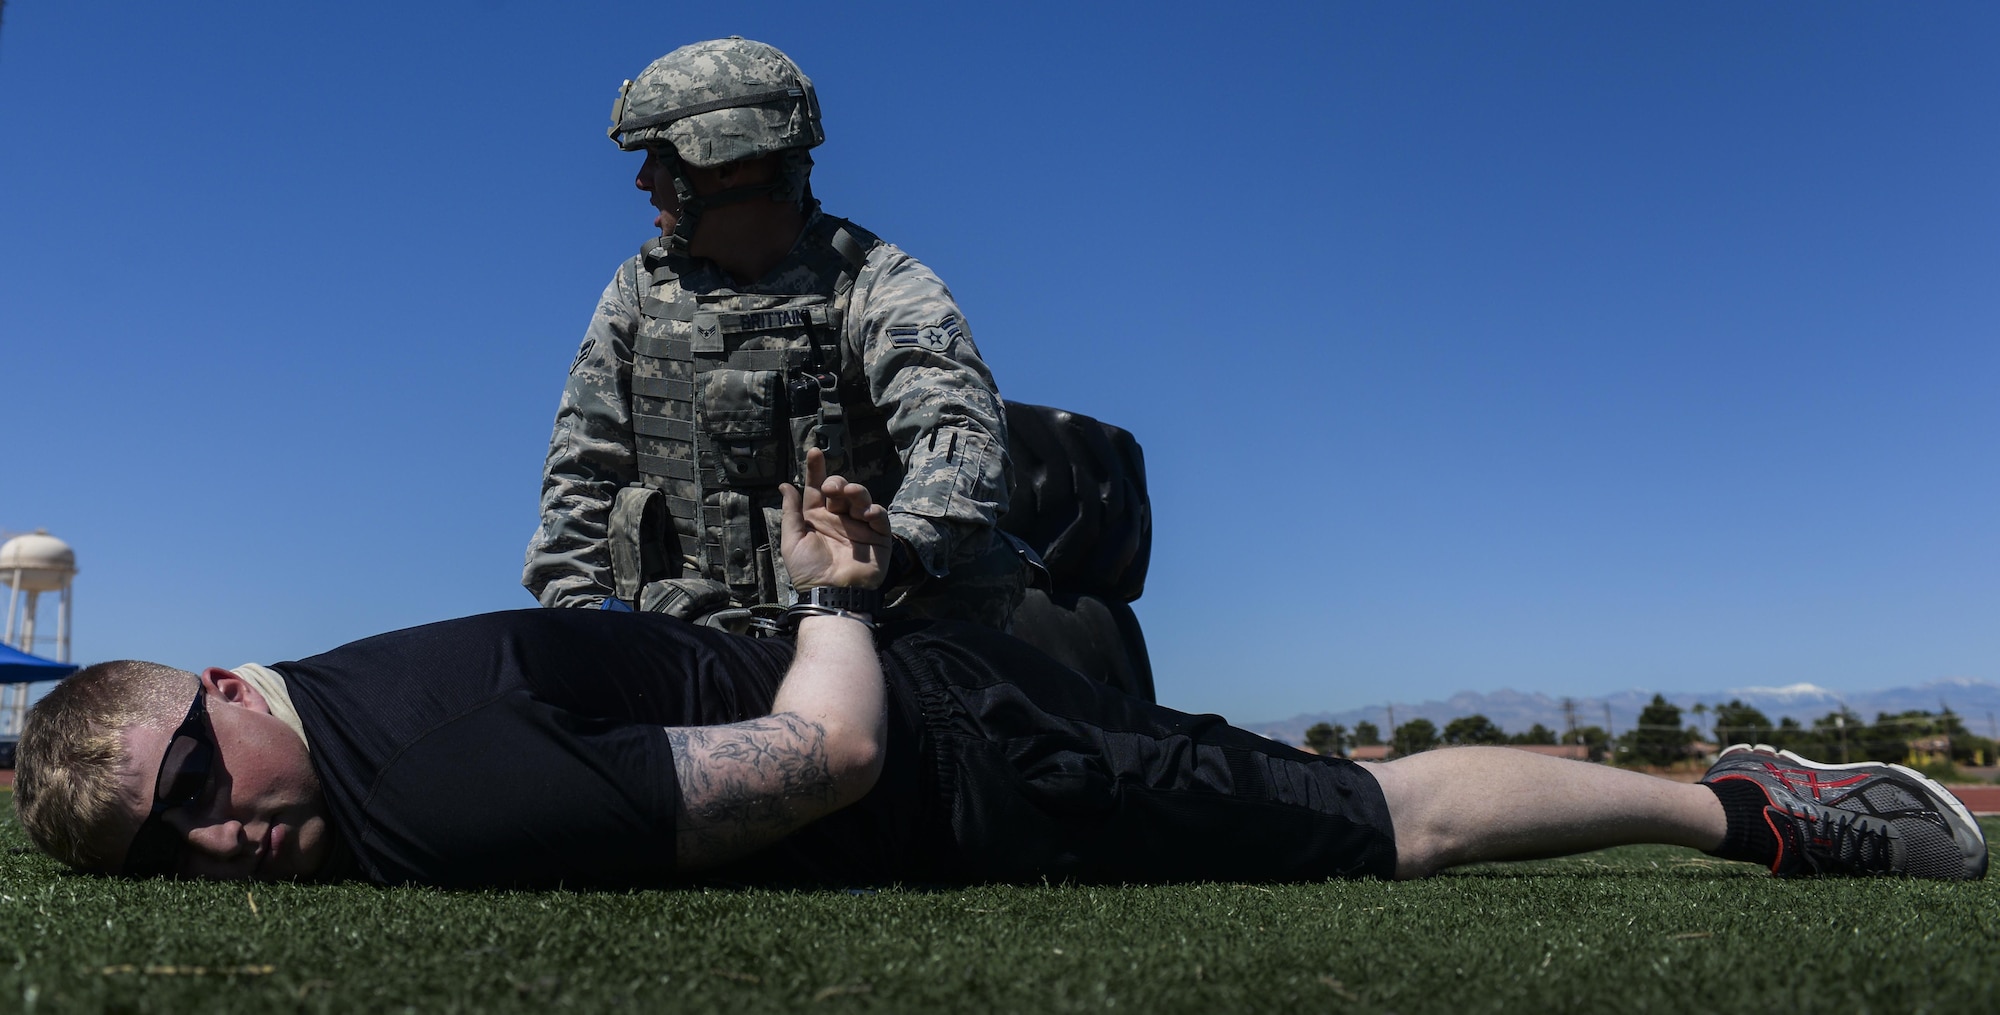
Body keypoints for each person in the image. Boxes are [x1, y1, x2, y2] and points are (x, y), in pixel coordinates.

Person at [11, 451, 1988, 886]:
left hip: (958, 748)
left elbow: (815, 763)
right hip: (925, 682)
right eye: (156, 854)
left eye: (198, 791)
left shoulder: (417, 779)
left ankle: (1752, 813)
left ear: (221, 691)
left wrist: (835, 594)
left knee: (1375, 818)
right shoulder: (332, 712)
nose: (212, 846)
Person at [523, 37, 1022, 630]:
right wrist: (591, 618)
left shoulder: (877, 283)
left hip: (861, 626)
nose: (642, 181)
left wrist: (888, 554)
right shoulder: (639, 292)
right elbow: (581, 476)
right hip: (685, 640)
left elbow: (961, 434)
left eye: (659, 156)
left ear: (724, 160)